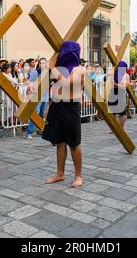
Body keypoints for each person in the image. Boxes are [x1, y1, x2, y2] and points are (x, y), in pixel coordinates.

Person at [43, 41, 85, 188]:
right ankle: (60, 174)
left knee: (74, 143)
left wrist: (53, 67)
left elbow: (67, 83)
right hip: (57, 105)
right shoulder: (59, 69)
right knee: (59, 142)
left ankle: (78, 176)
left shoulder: (79, 69)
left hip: (71, 107)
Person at [26, 58, 49, 140]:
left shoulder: (48, 74)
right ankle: (29, 132)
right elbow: (29, 83)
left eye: (44, 63)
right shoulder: (35, 73)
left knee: (42, 114)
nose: (43, 65)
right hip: (36, 96)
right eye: (41, 63)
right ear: (39, 64)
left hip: (45, 96)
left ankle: (40, 129)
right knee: (36, 112)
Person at [107, 61, 130, 134]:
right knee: (111, 111)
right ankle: (114, 128)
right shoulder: (113, 72)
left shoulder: (126, 75)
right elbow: (108, 77)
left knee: (121, 112)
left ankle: (121, 128)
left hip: (121, 93)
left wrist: (116, 84)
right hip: (113, 92)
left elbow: (125, 86)